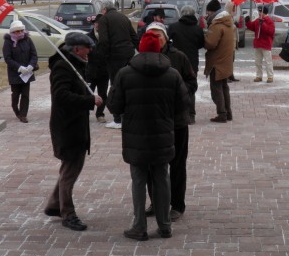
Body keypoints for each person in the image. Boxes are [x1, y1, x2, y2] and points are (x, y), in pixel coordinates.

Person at [107, 30, 190, 241]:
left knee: (138, 180)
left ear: (140, 48)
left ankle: (139, 226)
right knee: (162, 178)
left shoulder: (125, 74)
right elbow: (183, 104)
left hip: (136, 136)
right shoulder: (172, 74)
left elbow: (114, 105)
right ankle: (165, 226)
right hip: (163, 135)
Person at [45, 33, 103, 231]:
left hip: (75, 126)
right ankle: (68, 214)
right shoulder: (63, 67)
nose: (91, 51)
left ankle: (54, 204)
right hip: (67, 128)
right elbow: (61, 96)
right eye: (88, 47)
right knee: (70, 170)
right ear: (77, 49)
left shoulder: (75, 64)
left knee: (68, 168)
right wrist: (89, 101)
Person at [143, 22, 196, 222]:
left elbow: (192, 82)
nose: (155, 39)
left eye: (159, 36)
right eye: (151, 36)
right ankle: (156, 201)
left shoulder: (179, 57)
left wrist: (176, 95)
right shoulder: (141, 59)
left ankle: (177, 204)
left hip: (176, 121)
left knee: (177, 164)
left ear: (166, 38)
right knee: (151, 165)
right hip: (152, 122)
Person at [98, 0, 139, 129]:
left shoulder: (104, 20)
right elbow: (134, 36)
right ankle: (128, 114)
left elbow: (103, 40)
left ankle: (117, 118)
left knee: (115, 85)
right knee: (127, 83)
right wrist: (141, 51)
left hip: (114, 57)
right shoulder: (124, 17)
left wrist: (104, 56)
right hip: (128, 54)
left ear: (104, 9)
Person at [167, 5, 205, 124]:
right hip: (192, 61)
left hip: (175, 61)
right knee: (190, 87)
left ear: (181, 14)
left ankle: (175, 113)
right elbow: (201, 44)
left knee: (174, 87)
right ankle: (190, 114)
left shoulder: (173, 27)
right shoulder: (198, 29)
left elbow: (168, 42)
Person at [204, 0, 235, 122]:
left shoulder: (217, 25)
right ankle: (228, 112)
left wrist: (205, 35)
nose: (207, 15)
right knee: (224, 87)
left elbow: (210, 43)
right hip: (225, 61)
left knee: (216, 89)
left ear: (212, 12)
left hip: (217, 62)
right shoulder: (228, 23)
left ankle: (221, 113)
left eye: (208, 12)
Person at [2, 20, 39, 123]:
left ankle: (23, 115)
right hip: (15, 73)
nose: (20, 33)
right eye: (17, 31)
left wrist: (31, 65)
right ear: (13, 32)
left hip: (27, 73)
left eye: (21, 31)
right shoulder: (8, 42)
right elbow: (7, 58)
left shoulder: (28, 40)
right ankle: (16, 109)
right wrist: (19, 67)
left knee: (25, 94)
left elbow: (34, 54)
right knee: (16, 94)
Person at [86, 14, 110, 123]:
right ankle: (85, 112)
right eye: (96, 23)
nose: (97, 25)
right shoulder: (88, 37)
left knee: (103, 93)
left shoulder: (107, 37)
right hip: (91, 70)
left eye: (99, 23)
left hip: (104, 70)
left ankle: (100, 114)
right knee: (87, 92)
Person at [245, 6, 275, 83]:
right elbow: (252, 27)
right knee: (257, 61)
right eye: (259, 12)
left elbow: (270, 32)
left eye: (260, 12)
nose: (259, 13)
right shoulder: (258, 20)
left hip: (266, 43)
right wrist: (248, 22)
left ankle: (270, 76)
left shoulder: (269, 21)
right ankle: (259, 76)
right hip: (258, 43)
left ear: (263, 12)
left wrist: (263, 24)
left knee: (268, 62)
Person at [225, 1, 240, 82]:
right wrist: (234, 26)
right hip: (228, 42)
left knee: (232, 59)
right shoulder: (226, 16)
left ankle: (230, 74)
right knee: (227, 60)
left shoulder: (231, 16)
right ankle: (226, 76)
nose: (235, 9)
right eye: (233, 7)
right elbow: (228, 28)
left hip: (232, 41)